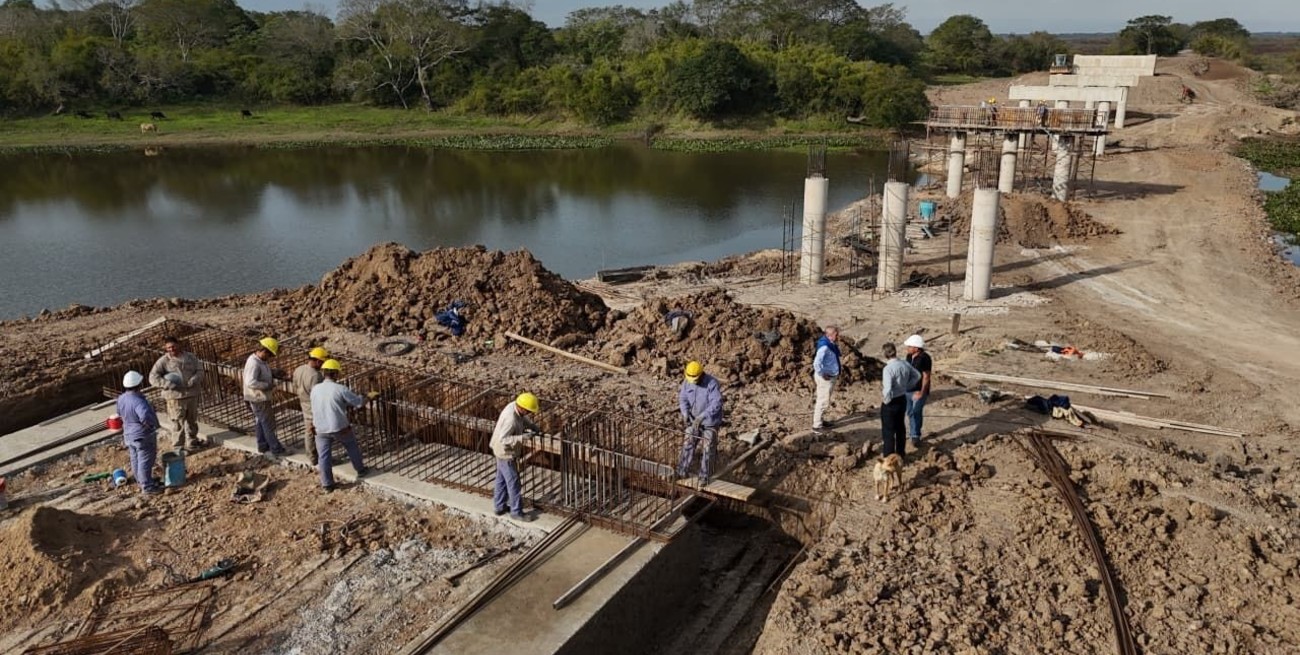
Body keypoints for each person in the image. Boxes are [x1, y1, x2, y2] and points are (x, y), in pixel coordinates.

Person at [310, 359, 370, 492]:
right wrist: (368, 397)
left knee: (324, 457)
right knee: (351, 445)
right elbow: (358, 403)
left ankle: (327, 485)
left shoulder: (315, 389)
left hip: (320, 427)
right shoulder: (340, 389)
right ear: (336, 374)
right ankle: (360, 470)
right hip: (339, 427)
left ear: (324, 373)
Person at [490, 393, 541, 522]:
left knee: (501, 481)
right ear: (523, 408)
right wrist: (521, 438)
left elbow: (522, 419)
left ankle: (499, 506)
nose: (529, 413)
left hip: (501, 451)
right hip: (505, 453)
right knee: (514, 483)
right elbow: (503, 439)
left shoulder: (514, 405)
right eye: (528, 411)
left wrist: (531, 426)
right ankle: (516, 512)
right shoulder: (511, 419)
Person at [148, 336, 204, 452]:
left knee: (192, 421)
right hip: (175, 397)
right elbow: (152, 377)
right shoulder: (164, 361)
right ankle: (178, 447)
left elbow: (200, 370)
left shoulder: (190, 357)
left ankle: (192, 442)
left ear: (178, 344)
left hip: (191, 394)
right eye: (168, 348)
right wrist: (167, 384)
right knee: (177, 423)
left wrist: (195, 379)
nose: (171, 349)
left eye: (173, 346)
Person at [676, 361, 723, 486]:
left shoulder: (711, 383)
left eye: (695, 380)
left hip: (709, 422)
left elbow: (716, 403)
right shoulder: (687, 382)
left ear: (701, 374)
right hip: (693, 421)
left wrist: (702, 416)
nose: (693, 382)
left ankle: (704, 477)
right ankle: (681, 471)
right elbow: (683, 398)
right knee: (688, 442)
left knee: (708, 448)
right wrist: (685, 413)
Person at [116, 370, 163, 495]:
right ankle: (147, 486)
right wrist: (151, 425)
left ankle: (141, 481)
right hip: (142, 435)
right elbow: (145, 416)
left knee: (135, 459)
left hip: (128, 434)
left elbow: (119, 413)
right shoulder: (139, 401)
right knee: (145, 460)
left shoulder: (121, 398)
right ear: (139, 385)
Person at [243, 337, 287, 456]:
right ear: (264, 351)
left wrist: (273, 372)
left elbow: (261, 371)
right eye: (270, 355)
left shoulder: (258, 360)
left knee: (260, 422)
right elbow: (250, 382)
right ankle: (275, 448)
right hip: (258, 398)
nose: (270, 358)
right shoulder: (254, 363)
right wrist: (268, 385)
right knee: (267, 423)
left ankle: (262, 445)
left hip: (257, 397)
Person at [880, 343, 920, 459]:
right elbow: (917, 375)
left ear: (885, 354)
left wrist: (886, 401)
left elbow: (887, 389)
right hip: (902, 399)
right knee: (900, 428)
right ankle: (901, 455)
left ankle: (889, 458)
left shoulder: (888, 369)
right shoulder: (904, 363)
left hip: (891, 402)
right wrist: (907, 386)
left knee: (888, 431)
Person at [293, 346, 329, 465]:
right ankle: (313, 457)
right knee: (311, 431)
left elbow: (294, 385)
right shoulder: (316, 376)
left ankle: (314, 455)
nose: (322, 366)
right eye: (322, 363)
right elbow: (317, 394)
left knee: (310, 429)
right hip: (312, 405)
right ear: (318, 361)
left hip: (303, 401)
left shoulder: (298, 369)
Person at [903, 335, 932, 449]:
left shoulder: (925, 358)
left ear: (916, 348)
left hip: (918, 391)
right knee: (910, 412)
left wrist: (922, 392)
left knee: (916, 412)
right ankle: (913, 432)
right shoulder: (909, 356)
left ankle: (915, 435)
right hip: (908, 390)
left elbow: (926, 376)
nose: (907, 348)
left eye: (910, 346)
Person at [812, 326, 841, 432]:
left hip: (829, 376)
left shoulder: (828, 343)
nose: (837, 336)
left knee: (823, 399)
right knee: (823, 401)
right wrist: (822, 373)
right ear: (829, 335)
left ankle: (820, 421)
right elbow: (816, 363)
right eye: (836, 334)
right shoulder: (824, 347)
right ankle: (817, 426)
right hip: (825, 378)